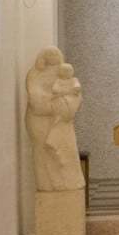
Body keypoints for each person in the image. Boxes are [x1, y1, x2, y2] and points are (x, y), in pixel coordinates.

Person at [25, 46, 85, 192]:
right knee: (43, 152)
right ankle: (47, 184)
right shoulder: (34, 73)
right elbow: (35, 100)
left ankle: (69, 182)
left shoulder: (62, 72)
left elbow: (75, 94)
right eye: (49, 55)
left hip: (62, 119)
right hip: (40, 121)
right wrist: (57, 102)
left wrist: (65, 102)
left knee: (66, 153)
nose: (52, 58)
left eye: (55, 55)